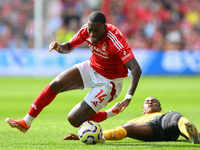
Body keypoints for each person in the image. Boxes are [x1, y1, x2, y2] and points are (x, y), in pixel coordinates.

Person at [5, 11, 142, 133]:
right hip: (92, 67)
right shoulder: (86, 30)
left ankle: (112, 112)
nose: (92, 34)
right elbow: (69, 46)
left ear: (105, 27)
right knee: (56, 84)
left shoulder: (115, 38)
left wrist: (128, 98)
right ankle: (26, 122)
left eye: (96, 30)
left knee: (74, 119)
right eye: (90, 30)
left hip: (109, 82)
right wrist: (59, 47)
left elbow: (136, 69)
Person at [64, 97, 200, 144]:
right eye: (147, 102)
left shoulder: (165, 114)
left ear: (160, 107)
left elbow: (171, 118)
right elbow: (119, 130)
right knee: (127, 128)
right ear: (143, 110)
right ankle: (99, 137)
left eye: (154, 101)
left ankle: (193, 136)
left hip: (166, 123)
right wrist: (88, 136)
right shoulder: (136, 119)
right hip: (150, 128)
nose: (150, 102)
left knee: (176, 117)